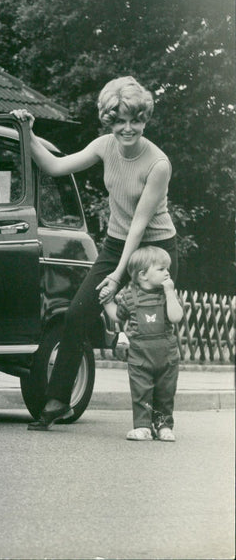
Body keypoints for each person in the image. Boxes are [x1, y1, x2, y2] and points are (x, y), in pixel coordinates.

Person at [12, 75, 177, 431]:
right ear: (109, 121)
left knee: (154, 334)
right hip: (118, 242)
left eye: (136, 120)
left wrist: (117, 277)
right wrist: (27, 131)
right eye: (119, 121)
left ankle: (162, 417)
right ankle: (57, 400)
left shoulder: (158, 164)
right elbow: (55, 165)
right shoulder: (104, 146)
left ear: (145, 119)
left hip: (155, 246)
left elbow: (139, 225)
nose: (128, 129)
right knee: (75, 315)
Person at [102, 246, 183, 441]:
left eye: (167, 269)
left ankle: (163, 426)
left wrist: (170, 292)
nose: (167, 272)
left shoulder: (166, 295)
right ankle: (143, 427)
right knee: (141, 392)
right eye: (161, 269)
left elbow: (176, 317)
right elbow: (117, 316)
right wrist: (106, 301)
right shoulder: (129, 297)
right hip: (139, 356)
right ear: (143, 275)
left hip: (167, 356)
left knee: (165, 392)